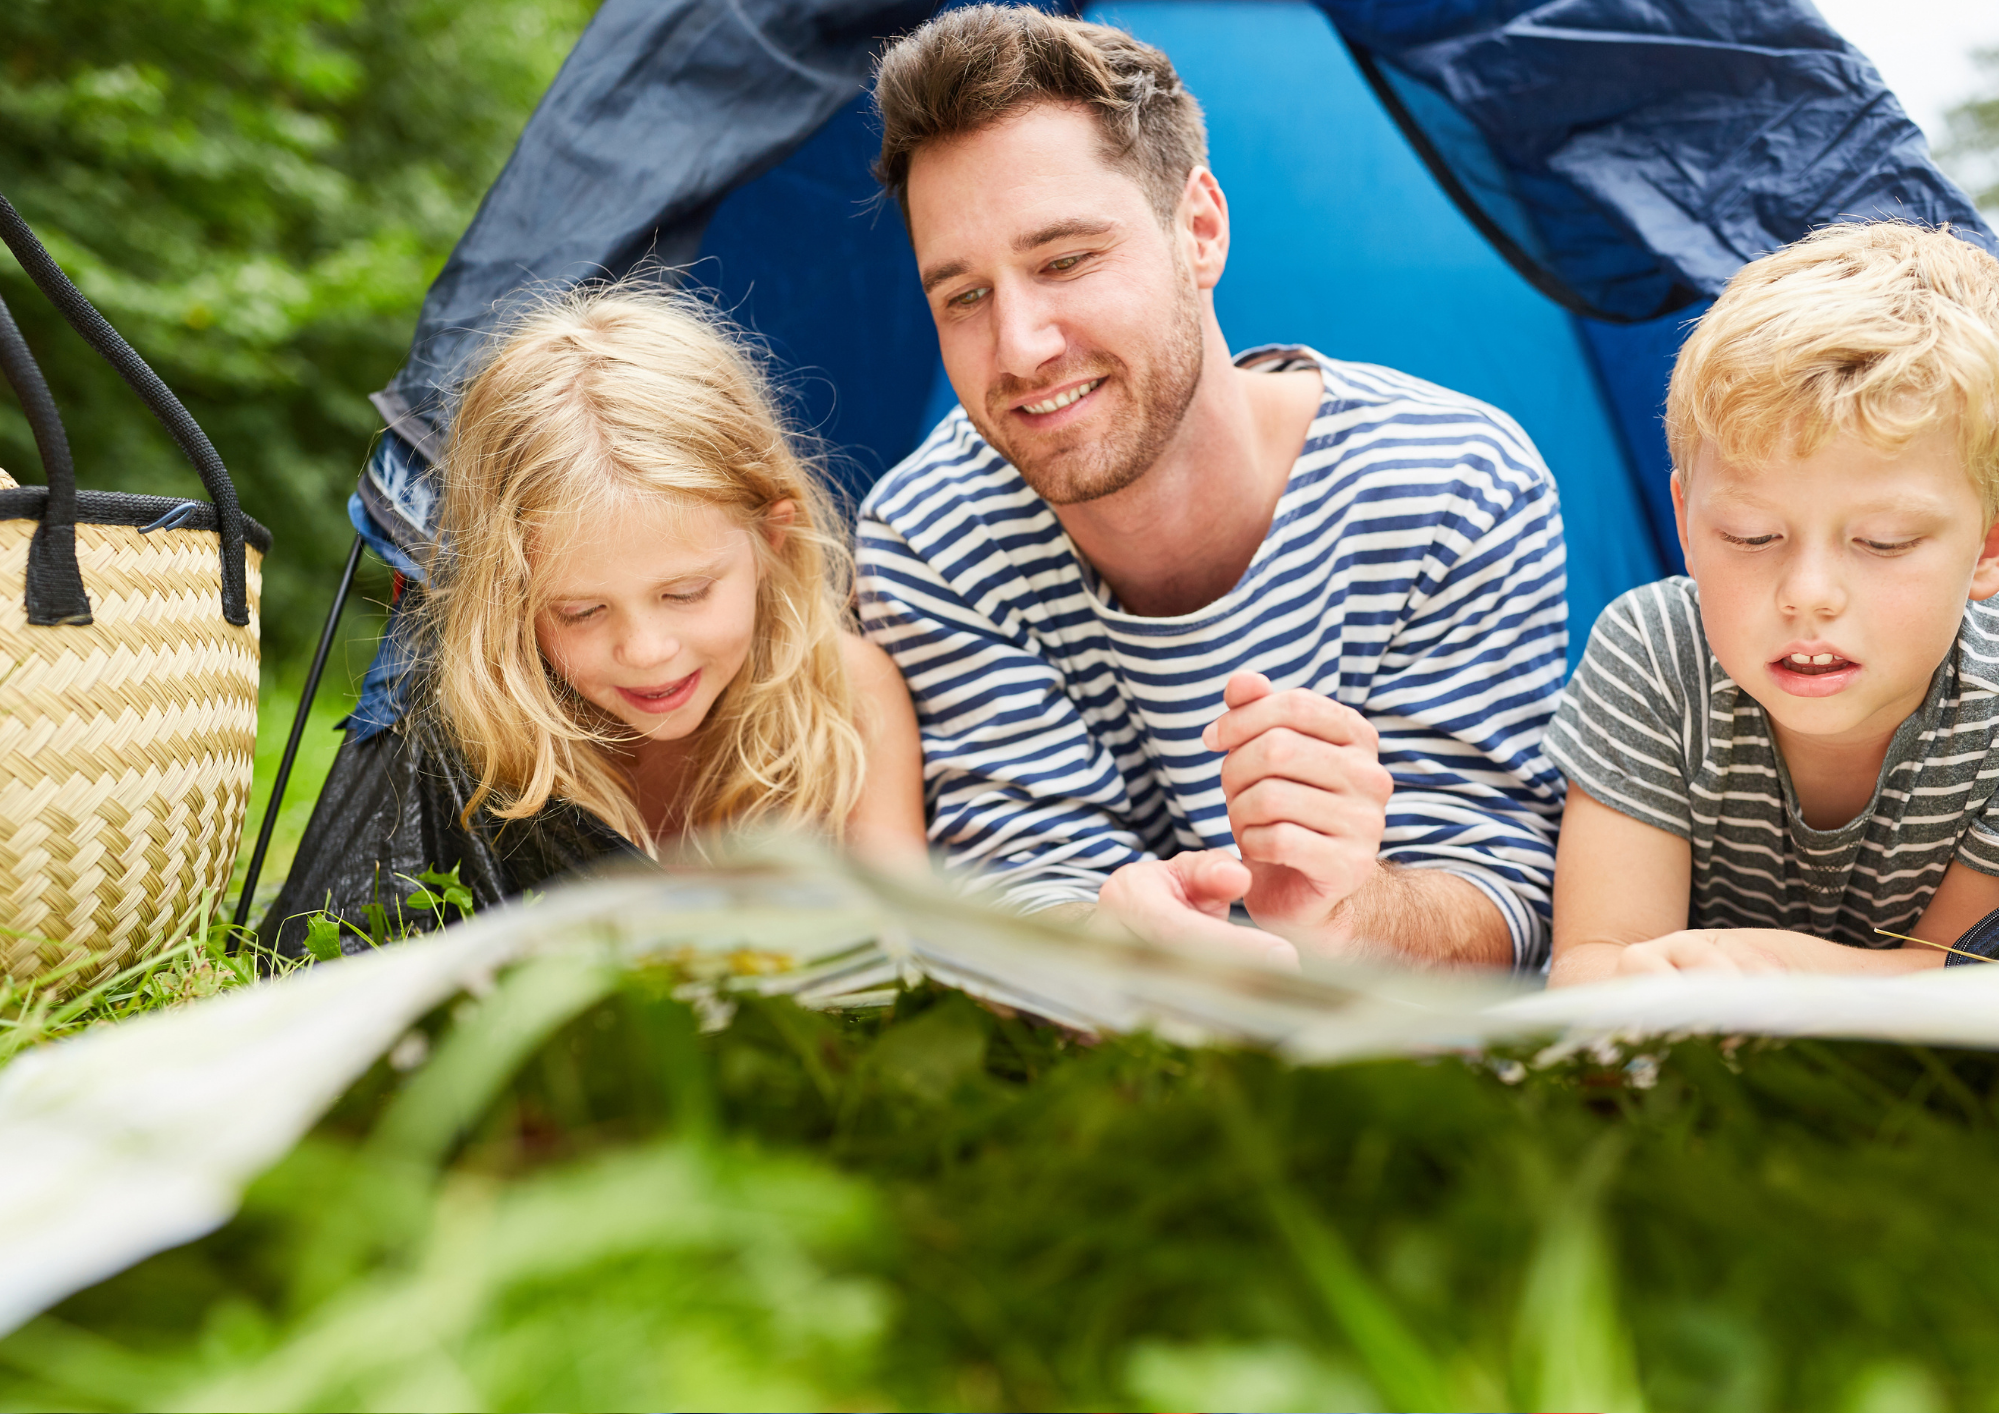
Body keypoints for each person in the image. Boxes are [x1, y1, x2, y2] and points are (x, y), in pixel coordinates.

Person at [854, 6, 1569, 971]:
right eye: (964, 296)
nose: (1020, 346)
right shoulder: (928, 536)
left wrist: (1350, 911)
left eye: (1065, 260)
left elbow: (1501, 904)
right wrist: (1104, 949)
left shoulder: (1455, 486)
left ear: (1199, 228)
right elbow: (1021, 883)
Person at [267, 287, 925, 953]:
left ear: (771, 540)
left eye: (686, 592)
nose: (645, 650)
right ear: (508, 600)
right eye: (581, 611)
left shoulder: (849, 697)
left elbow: (904, 945)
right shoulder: (477, 727)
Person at [1545, 222, 1997, 984]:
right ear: (1687, 523)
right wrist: (1642, 991)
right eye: (1752, 536)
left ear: (1987, 547)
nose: (1808, 595)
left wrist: (1792, 976)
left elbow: (1967, 982)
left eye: (1884, 542)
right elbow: (1591, 960)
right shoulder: (1655, 656)